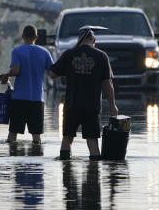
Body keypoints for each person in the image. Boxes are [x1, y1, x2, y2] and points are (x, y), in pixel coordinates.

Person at [49, 26, 118, 160]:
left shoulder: (69, 54)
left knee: (67, 139)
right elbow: (107, 84)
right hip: (91, 107)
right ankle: (94, 173)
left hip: (71, 106)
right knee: (92, 142)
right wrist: (112, 106)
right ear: (94, 40)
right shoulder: (101, 56)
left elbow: (52, 74)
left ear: (79, 40)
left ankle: (66, 172)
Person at [0, 25, 54, 144]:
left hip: (19, 99)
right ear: (36, 37)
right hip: (37, 99)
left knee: (12, 135)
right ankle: (36, 158)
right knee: (36, 138)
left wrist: (7, 75)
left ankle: (13, 157)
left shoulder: (17, 51)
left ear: (23, 36)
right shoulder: (45, 52)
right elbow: (53, 73)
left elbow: (16, 70)